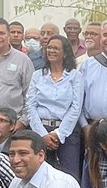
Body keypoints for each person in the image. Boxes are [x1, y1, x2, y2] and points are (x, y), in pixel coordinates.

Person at [26, 34, 83, 177]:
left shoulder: (75, 76)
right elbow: (30, 106)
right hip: (40, 130)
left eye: (56, 48)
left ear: (65, 53)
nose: (51, 51)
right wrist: (43, 135)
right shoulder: (38, 75)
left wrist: (58, 134)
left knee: (70, 176)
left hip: (67, 132)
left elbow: (76, 107)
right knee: (41, 176)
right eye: (49, 48)